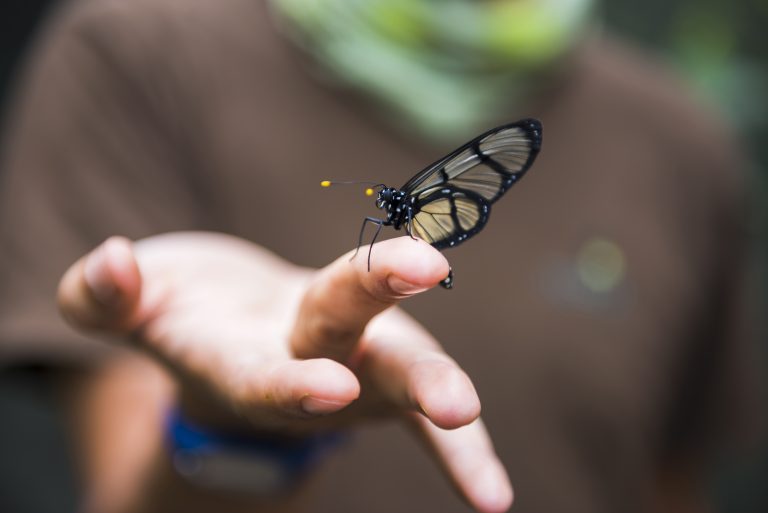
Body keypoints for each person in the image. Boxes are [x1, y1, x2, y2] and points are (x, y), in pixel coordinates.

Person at [0, 0, 761, 512]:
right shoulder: (133, 50)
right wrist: (234, 426)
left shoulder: (680, 141)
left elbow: (669, 485)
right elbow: (119, 488)